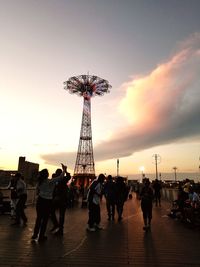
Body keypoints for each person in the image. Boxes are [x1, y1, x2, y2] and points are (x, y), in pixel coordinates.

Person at [31, 164, 67, 242]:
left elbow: (37, 192)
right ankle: (41, 236)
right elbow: (61, 177)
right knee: (45, 220)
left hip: (40, 201)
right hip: (48, 202)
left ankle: (35, 234)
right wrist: (64, 170)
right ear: (47, 175)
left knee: (38, 218)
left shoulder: (39, 182)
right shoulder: (51, 181)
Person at [50, 169, 71, 236]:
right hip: (57, 199)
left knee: (61, 215)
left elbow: (68, 177)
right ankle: (57, 225)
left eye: (57, 173)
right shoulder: (56, 179)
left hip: (62, 200)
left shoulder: (64, 179)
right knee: (52, 211)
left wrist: (66, 170)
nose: (56, 174)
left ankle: (60, 229)